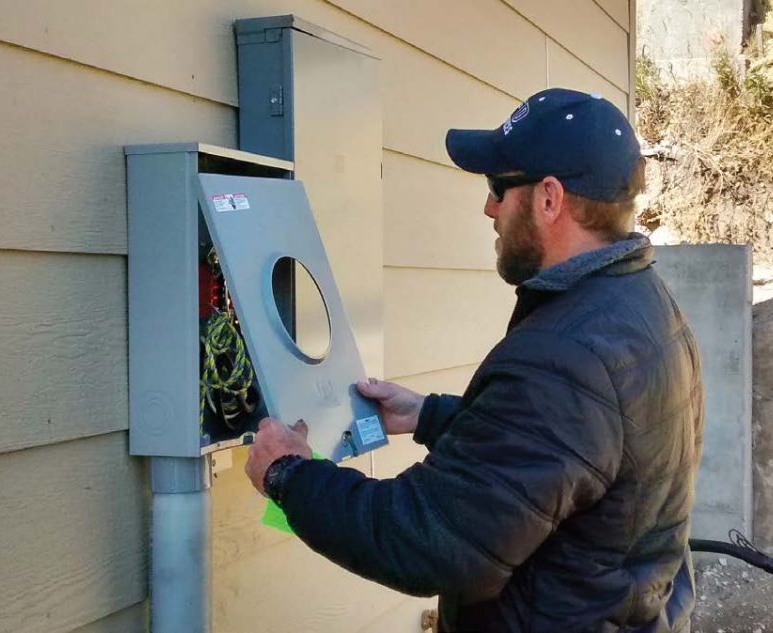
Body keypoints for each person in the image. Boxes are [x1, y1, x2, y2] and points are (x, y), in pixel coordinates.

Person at [245, 87, 704, 633]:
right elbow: (565, 452)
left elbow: (427, 539)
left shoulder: (564, 357)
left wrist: (287, 475)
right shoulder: (644, 303)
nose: (488, 206)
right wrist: (429, 415)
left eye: (498, 187)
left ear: (550, 199)